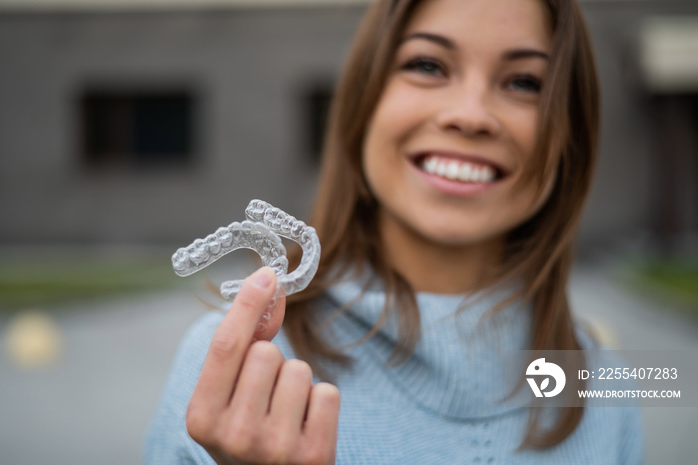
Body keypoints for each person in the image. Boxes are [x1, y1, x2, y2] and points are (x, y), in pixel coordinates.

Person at [146, 0, 645, 463]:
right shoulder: (229, 371)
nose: (470, 115)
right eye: (427, 65)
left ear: (570, 138)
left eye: (524, 82)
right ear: (364, 102)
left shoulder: (608, 390)